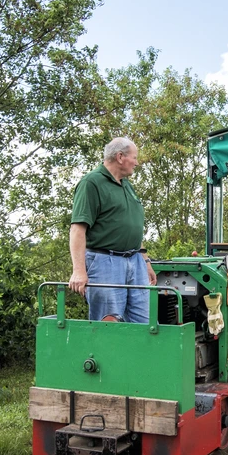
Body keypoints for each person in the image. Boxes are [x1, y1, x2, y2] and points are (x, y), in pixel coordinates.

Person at [68, 137, 156, 323]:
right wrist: (79, 271)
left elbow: (129, 226)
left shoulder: (126, 185)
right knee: (109, 324)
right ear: (120, 157)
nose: (137, 162)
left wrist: (145, 261)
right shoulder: (92, 183)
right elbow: (77, 230)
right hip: (105, 262)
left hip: (135, 262)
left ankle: (137, 353)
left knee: (145, 323)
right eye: (134, 157)